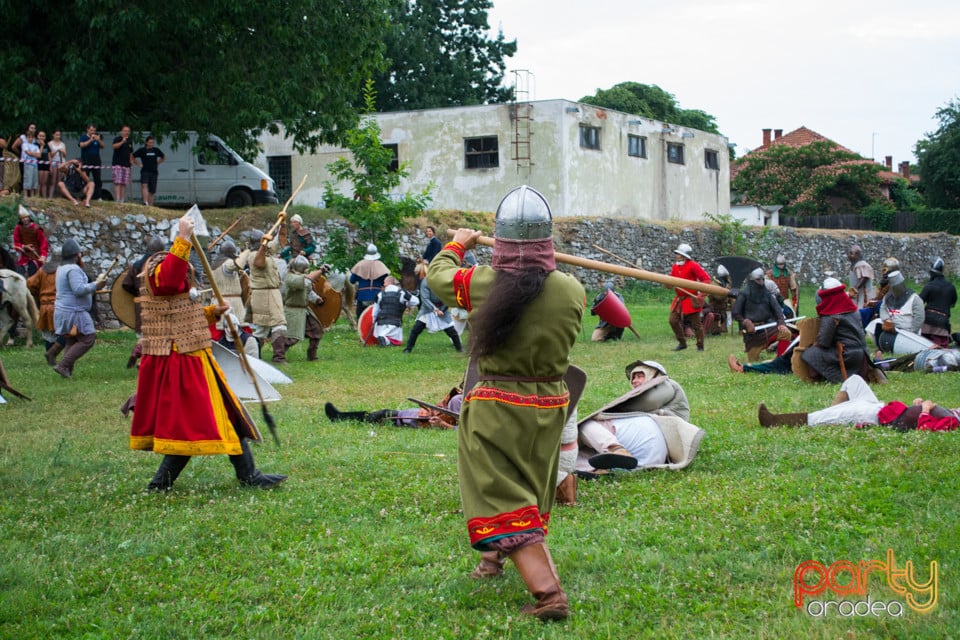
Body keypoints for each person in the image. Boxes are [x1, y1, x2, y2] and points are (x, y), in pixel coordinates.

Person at [427, 185, 585, 622]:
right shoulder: (572, 289)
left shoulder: (480, 284)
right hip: (551, 405)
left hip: (497, 405)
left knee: (500, 494)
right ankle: (492, 561)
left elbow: (438, 275)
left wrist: (458, 242)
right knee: (529, 486)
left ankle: (549, 593)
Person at [128, 214, 287, 491]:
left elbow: (182, 313)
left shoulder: (167, 273)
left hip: (192, 353)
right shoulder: (156, 271)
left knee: (225, 410)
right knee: (193, 423)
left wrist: (212, 313)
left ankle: (248, 475)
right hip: (179, 358)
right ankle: (160, 484)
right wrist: (184, 238)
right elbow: (168, 280)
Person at [577, 359, 691, 473]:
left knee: (587, 425)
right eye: (633, 378)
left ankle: (616, 449)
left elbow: (648, 401)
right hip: (652, 456)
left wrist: (609, 412)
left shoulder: (667, 383)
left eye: (640, 376)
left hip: (651, 440)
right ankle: (599, 469)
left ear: (654, 374)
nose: (635, 381)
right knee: (577, 455)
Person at [757, 374, 958, 431]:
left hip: (876, 416)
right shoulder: (952, 414)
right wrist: (917, 404)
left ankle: (773, 421)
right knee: (854, 380)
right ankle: (832, 413)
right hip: (882, 406)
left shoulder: (953, 422)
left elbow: (925, 426)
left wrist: (923, 409)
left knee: (818, 418)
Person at [52, 239, 107, 378]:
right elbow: (78, 289)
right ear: (77, 255)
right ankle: (63, 365)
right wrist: (96, 285)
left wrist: (95, 284)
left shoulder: (61, 268)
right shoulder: (72, 269)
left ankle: (67, 370)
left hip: (64, 310)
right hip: (74, 311)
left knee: (73, 339)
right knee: (88, 338)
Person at [120, 236, 167, 368]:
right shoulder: (160, 264)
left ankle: (138, 354)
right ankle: (143, 362)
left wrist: (137, 294)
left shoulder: (137, 265)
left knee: (146, 333)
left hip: (141, 306)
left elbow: (126, 284)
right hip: (158, 304)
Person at [324, 385, 463, 430]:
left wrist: (442, 424)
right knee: (381, 413)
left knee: (379, 416)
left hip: (418, 421)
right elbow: (443, 407)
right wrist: (431, 409)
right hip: (419, 415)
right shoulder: (462, 397)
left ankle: (338, 418)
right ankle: (339, 416)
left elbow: (462, 430)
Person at [209, 239, 258, 359]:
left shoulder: (215, 264)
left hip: (218, 302)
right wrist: (248, 250)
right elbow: (238, 264)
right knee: (234, 329)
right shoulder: (226, 264)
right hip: (230, 303)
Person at [246, 230, 287, 363]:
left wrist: (283, 225)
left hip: (270, 293)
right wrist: (263, 246)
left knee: (262, 329)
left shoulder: (266, 251)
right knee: (278, 324)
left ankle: (254, 356)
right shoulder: (253, 255)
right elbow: (259, 262)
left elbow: (281, 240)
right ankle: (278, 358)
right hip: (264, 294)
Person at [732, 268, 787, 362]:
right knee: (753, 360)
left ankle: (781, 359)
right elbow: (736, 313)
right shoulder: (744, 294)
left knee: (786, 333)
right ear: (752, 281)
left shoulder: (767, 293)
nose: (761, 282)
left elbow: (777, 309)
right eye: (758, 280)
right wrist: (745, 321)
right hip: (752, 333)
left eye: (762, 279)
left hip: (768, 328)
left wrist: (781, 322)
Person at [282, 256, 326, 361]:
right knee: (292, 337)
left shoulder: (304, 277)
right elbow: (305, 282)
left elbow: (308, 291)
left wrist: (316, 299)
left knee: (316, 331)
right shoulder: (291, 277)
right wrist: (320, 271)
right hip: (293, 311)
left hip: (305, 311)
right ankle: (279, 356)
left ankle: (312, 355)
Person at [668, 243, 711, 351]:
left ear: (684, 255)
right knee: (673, 320)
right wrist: (664, 281)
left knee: (696, 324)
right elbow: (670, 283)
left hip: (691, 299)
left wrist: (701, 294)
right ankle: (682, 343)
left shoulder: (693, 265)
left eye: (678, 253)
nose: (676, 255)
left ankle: (700, 346)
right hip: (679, 299)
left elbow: (706, 279)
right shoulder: (675, 267)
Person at [403, 275, 462, 353]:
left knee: (451, 331)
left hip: (441, 308)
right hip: (427, 309)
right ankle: (408, 348)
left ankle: (460, 349)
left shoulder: (445, 282)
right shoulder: (426, 282)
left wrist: (443, 310)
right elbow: (425, 298)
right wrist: (435, 309)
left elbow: (448, 298)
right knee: (416, 329)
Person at [874, 271, 924, 353]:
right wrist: (887, 319)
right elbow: (883, 308)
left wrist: (911, 333)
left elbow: (919, 317)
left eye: (895, 287)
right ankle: (881, 348)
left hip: (908, 331)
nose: (894, 289)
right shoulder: (888, 297)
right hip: (892, 328)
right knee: (876, 323)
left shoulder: (914, 299)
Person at [26, 256, 62, 360]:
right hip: (58, 306)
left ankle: (50, 355)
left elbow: (30, 283)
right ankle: (53, 355)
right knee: (66, 333)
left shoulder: (42, 270)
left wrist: (38, 294)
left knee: (48, 334)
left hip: (44, 307)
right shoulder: (62, 271)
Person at [918, 258, 956, 347]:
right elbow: (952, 303)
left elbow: (919, 302)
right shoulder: (951, 287)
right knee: (940, 347)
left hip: (927, 322)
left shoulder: (929, 286)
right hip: (943, 323)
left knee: (924, 345)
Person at [371, 276, 418, 347]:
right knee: (396, 341)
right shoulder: (403, 293)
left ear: (386, 283)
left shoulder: (379, 294)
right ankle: (385, 340)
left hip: (380, 323)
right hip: (395, 323)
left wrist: (373, 323)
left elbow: (375, 312)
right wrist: (406, 302)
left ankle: (383, 338)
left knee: (383, 335)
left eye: (384, 283)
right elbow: (416, 301)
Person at [349, 243, 390, 317]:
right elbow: (386, 281)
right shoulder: (381, 265)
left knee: (361, 317)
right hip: (377, 296)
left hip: (362, 296)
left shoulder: (360, 265)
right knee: (376, 318)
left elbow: (352, 280)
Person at [12, 206, 49, 276]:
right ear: (20, 219)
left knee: (33, 271)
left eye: (26, 217)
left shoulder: (36, 229)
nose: (25, 219)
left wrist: (43, 256)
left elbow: (43, 243)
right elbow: (16, 242)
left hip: (36, 256)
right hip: (24, 255)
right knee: (18, 271)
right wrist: (24, 247)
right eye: (23, 218)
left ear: (29, 218)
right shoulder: (18, 228)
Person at [133, 136, 165, 206]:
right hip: (145, 171)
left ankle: (150, 205)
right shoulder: (142, 150)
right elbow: (132, 156)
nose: (151, 144)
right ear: (146, 143)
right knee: (144, 185)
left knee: (152, 190)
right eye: (150, 142)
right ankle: (145, 202)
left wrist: (158, 163)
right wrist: (138, 163)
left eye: (152, 143)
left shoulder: (156, 150)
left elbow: (163, 157)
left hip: (154, 172)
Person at [78, 124, 103, 200]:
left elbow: (102, 146)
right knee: (85, 178)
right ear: (87, 130)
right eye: (91, 130)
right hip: (86, 160)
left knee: (97, 179)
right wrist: (90, 140)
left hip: (96, 161)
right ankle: (84, 195)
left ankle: (98, 196)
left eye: (94, 130)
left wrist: (98, 140)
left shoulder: (97, 137)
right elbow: (82, 145)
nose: (93, 132)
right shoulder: (83, 137)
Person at [111, 125, 134, 203]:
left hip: (126, 164)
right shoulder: (117, 139)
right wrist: (122, 142)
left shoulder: (130, 140)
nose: (127, 132)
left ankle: (122, 199)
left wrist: (131, 161)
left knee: (124, 182)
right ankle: (117, 199)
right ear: (121, 131)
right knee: (118, 182)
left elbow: (131, 152)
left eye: (128, 131)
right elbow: (114, 146)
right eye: (125, 131)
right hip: (118, 163)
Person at [45, 130, 67, 198]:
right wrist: (57, 150)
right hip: (54, 162)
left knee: (59, 180)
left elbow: (65, 155)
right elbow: (50, 155)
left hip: (61, 163)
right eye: (56, 135)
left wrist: (63, 152)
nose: (58, 136)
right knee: (53, 181)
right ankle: (51, 196)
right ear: (53, 135)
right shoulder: (50, 143)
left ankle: (59, 196)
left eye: (59, 135)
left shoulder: (62, 144)